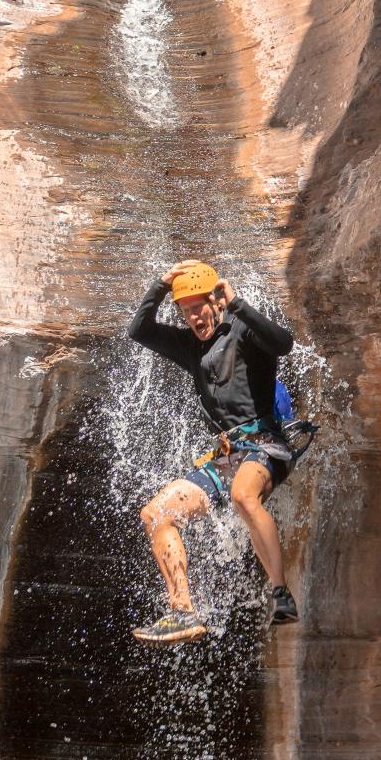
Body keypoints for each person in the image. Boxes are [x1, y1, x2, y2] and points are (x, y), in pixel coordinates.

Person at [128, 259, 301, 644]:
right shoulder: (190, 347)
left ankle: (281, 593)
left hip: (266, 445)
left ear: (215, 301)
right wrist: (160, 286)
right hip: (227, 456)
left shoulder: (242, 331)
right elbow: (138, 330)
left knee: (243, 494)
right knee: (156, 514)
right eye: (185, 311)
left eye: (198, 308)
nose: (192, 318)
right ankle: (181, 611)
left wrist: (237, 304)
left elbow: (283, 343)